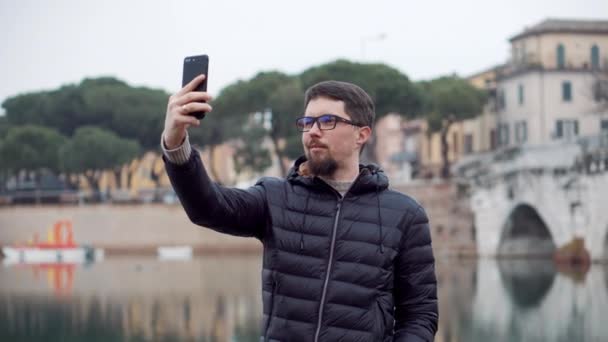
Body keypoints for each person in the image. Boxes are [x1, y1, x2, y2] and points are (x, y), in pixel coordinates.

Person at [161, 75, 438, 342]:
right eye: (307, 122)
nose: (313, 131)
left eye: (327, 121)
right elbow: (207, 208)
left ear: (361, 135)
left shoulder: (405, 215)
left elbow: (419, 314)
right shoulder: (275, 198)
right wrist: (175, 144)